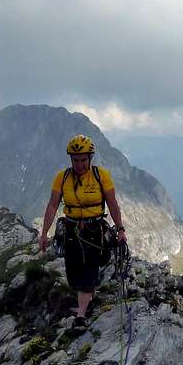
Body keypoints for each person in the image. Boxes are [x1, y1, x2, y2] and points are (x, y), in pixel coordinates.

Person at [39, 134, 127, 326]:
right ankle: (87, 295)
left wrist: (120, 229)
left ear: (90, 159)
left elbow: (112, 204)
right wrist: (44, 233)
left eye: (83, 160)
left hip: (94, 230)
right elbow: (52, 205)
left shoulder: (100, 176)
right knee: (73, 273)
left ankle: (81, 315)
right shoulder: (62, 178)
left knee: (89, 269)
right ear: (71, 159)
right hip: (71, 230)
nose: (80, 164)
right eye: (76, 160)